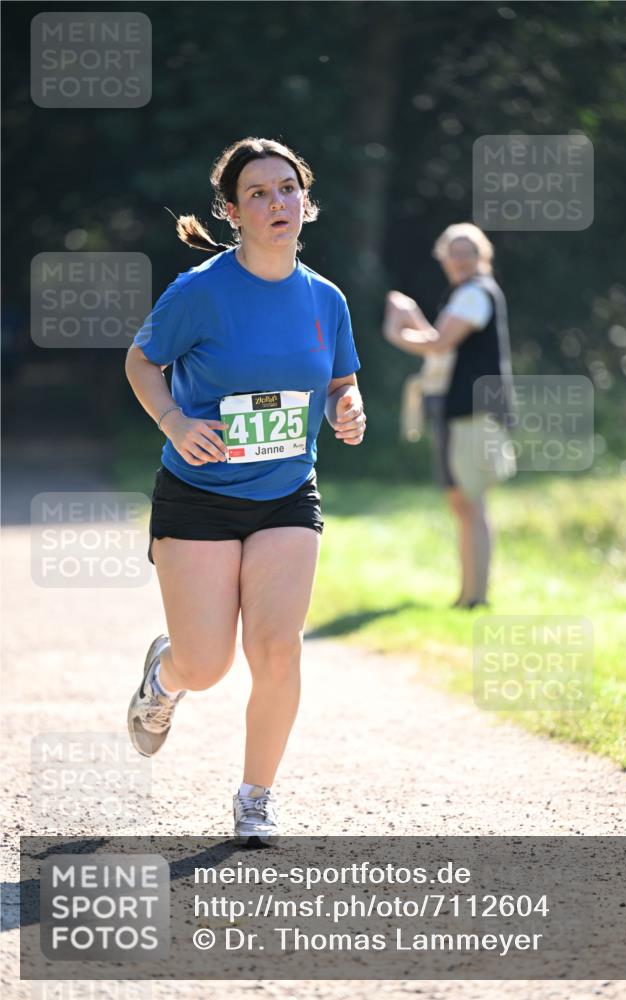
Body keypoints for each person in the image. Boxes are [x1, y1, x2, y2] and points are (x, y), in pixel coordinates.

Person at [124, 137, 365, 843]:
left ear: (305, 200)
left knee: (277, 648)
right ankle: (163, 681)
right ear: (232, 211)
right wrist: (173, 421)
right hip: (198, 494)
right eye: (257, 193)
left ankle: (255, 798)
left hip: (287, 494)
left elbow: (339, 381)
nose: (276, 202)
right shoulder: (199, 292)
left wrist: (346, 408)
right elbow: (141, 363)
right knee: (208, 663)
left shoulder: (325, 298)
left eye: (286, 188)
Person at [384, 222, 515, 608]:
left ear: (482, 257)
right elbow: (443, 346)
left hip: (474, 412)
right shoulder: (467, 296)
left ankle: (475, 598)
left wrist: (395, 329)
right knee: (464, 505)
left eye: (466, 252)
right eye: (452, 253)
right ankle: (469, 595)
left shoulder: (475, 295)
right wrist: (412, 318)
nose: (458, 260)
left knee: (471, 504)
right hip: (462, 411)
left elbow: (438, 343)